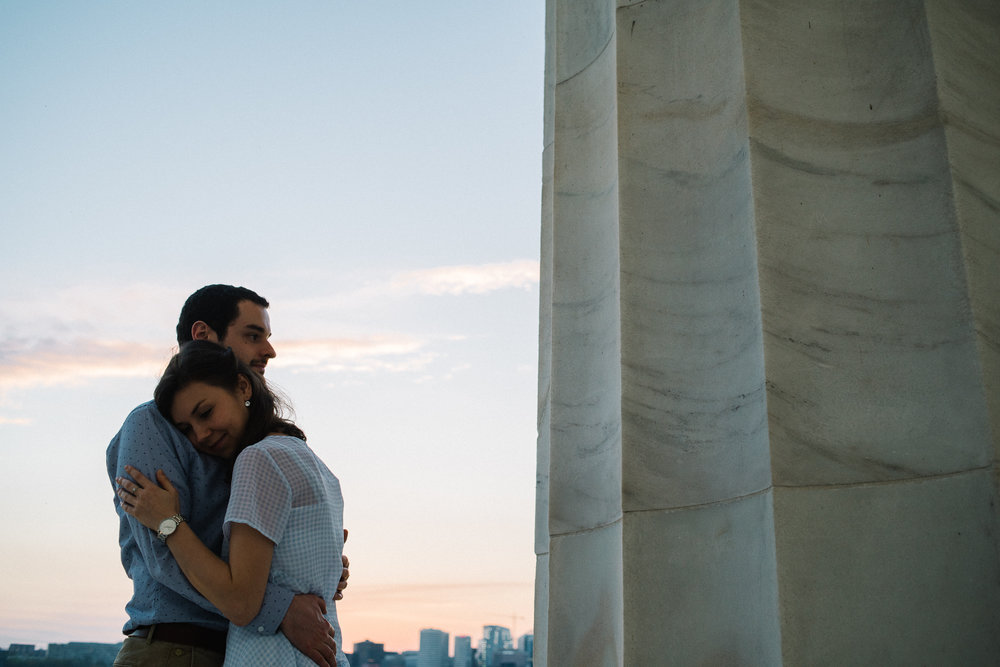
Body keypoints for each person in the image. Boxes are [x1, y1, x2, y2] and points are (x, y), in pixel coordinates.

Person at [107, 285, 348, 667]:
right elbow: (164, 559)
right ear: (203, 336)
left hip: (241, 647)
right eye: (252, 336)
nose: (268, 351)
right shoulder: (149, 426)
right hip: (174, 649)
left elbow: (256, 548)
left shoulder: (257, 448)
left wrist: (312, 563)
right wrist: (280, 608)